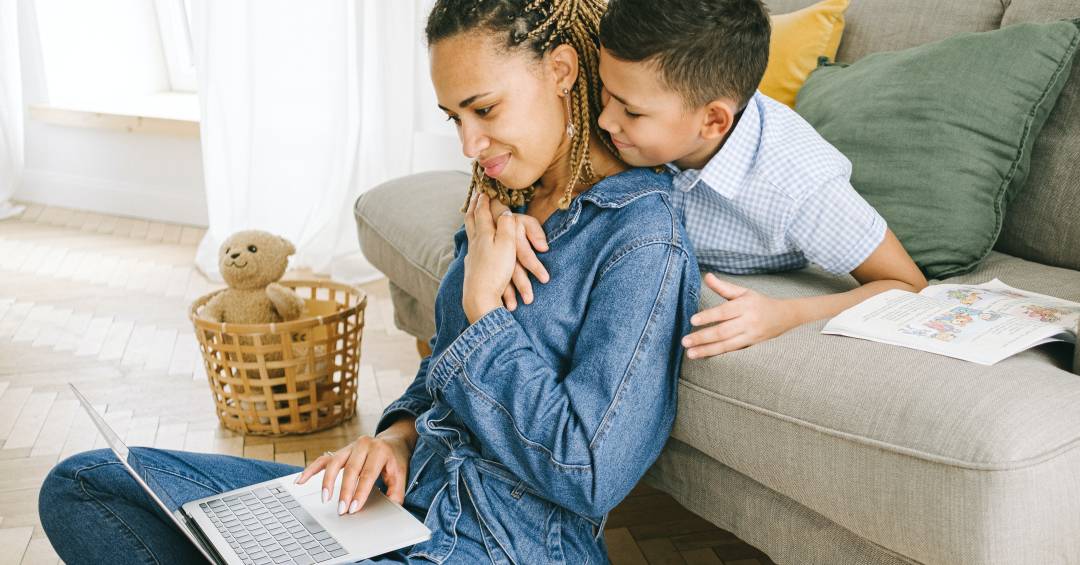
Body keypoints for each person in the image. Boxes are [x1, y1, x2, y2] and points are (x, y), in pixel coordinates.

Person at [37, 0, 700, 563]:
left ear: (561, 70)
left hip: (501, 543)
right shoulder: (499, 203)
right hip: (401, 506)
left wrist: (483, 309)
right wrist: (397, 436)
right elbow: (442, 371)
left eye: (484, 109)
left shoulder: (643, 237)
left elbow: (588, 470)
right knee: (87, 484)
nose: (470, 144)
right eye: (455, 117)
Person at [502, 0, 929, 359]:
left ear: (713, 121)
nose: (604, 119)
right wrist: (506, 208)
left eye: (631, 111)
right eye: (605, 91)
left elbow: (908, 285)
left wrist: (786, 314)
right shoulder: (635, 103)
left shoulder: (799, 185)